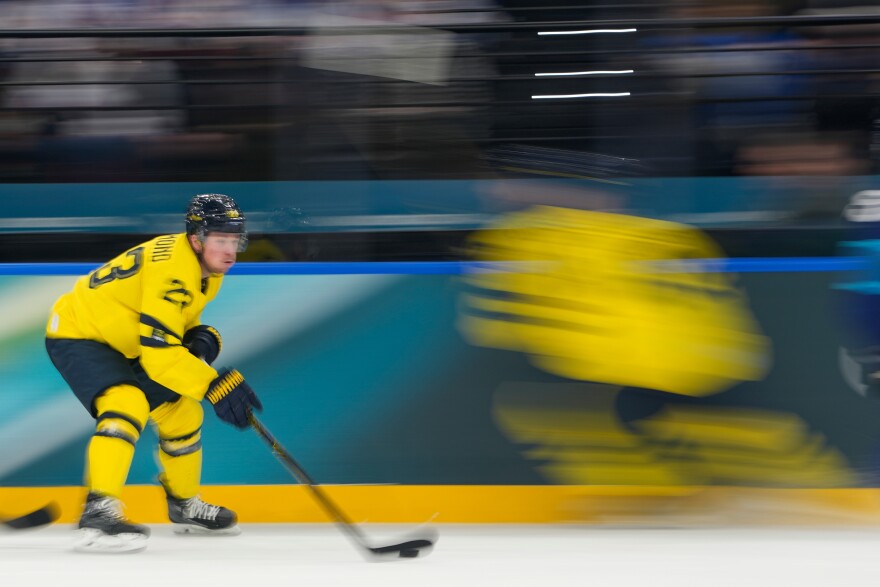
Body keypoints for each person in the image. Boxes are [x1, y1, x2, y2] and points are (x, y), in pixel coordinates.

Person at [45, 193, 263, 553]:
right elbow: (160, 357)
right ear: (196, 239)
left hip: (127, 340)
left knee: (182, 412)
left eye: (234, 240)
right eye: (220, 240)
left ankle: (184, 505)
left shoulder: (205, 268)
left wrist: (199, 337)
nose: (230, 250)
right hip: (79, 334)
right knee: (126, 403)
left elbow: (171, 328)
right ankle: (98, 510)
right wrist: (213, 385)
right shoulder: (174, 271)